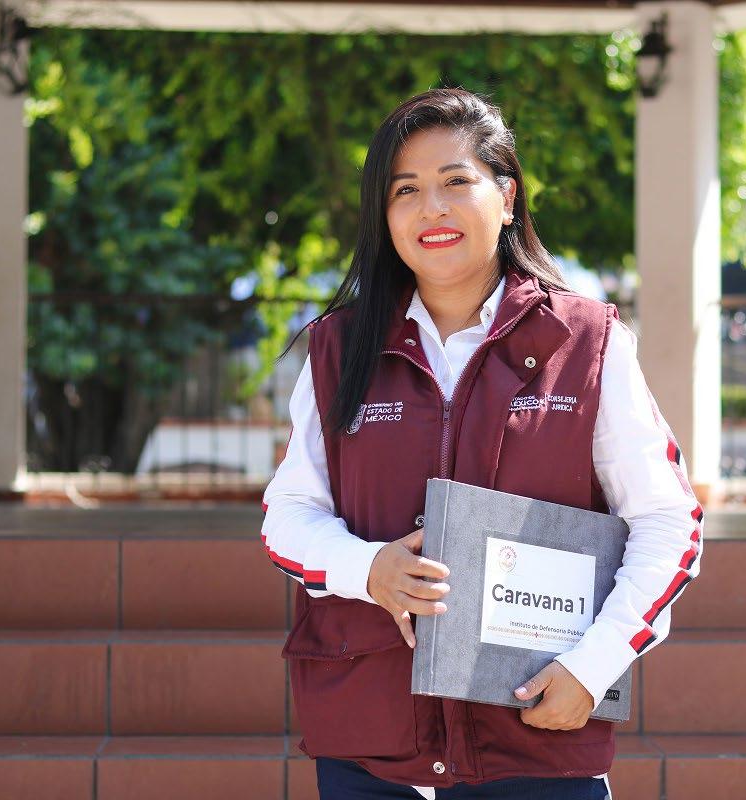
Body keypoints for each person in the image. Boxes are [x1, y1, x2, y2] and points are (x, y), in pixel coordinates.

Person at [261, 88, 704, 799]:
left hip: (535, 740)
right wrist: (367, 568)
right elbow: (288, 516)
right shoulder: (338, 350)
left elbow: (667, 522)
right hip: (370, 751)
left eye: (455, 181)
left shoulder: (586, 343)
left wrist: (593, 668)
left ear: (506, 196)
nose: (431, 209)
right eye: (405, 190)